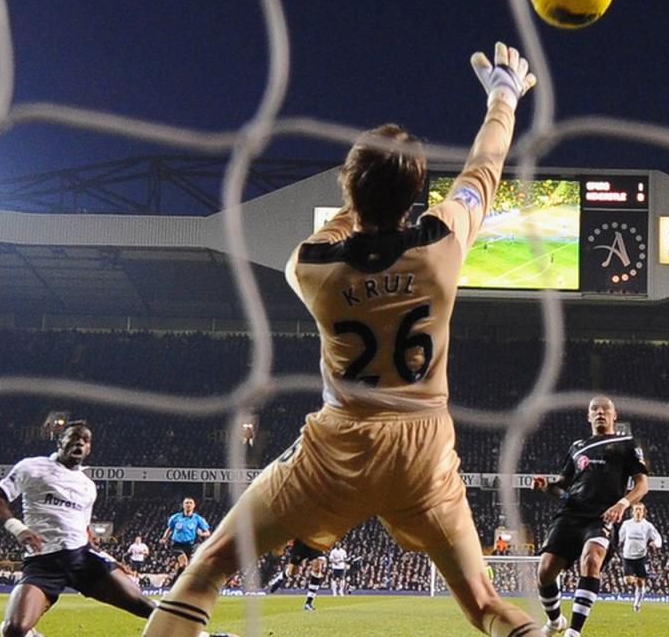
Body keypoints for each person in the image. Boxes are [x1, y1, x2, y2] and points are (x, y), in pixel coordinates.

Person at [141, 41, 541, 637]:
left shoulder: (310, 267)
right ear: (416, 196)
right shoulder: (441, 247)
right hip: (423, 449)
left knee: (211, 567)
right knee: (485, 603)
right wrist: (503, 97)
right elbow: (482, 171)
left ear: (348, 190)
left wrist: (358, 196)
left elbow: (342, 227)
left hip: (336, 449)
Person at [0, 421, 159, 637]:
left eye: (85, 440)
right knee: (14, 629)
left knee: (147, 606)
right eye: (74, 437)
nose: (80, 442)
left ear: (89, 449)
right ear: (60, 441)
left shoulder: (88, 486)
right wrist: (18, 528)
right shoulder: (32, 467)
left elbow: (84, 532)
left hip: (82, 559)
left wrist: (108, 558)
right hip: (43, 562)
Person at [531, 396, 649, 637]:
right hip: (571, 513)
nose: (600, 413)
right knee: (544, 572)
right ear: (588, 416)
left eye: (606, 409)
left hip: (602, 515)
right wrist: (546, 486)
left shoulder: (626, 443)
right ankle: (555, 622)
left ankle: (574, 632)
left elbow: (642, 484)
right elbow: (562, 487)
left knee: (591, 559)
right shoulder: (577, 447)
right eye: (594, 409)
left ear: (615, 415)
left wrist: (623, 503)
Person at [617, 503, 661, 612]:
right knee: (629, 581)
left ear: (643, 512)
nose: (638, 511)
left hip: (641, 557)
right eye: (636, 509)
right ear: (632, 511)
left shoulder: (648, 526)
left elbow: (658, 537)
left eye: (640, 510)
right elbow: (619, 538)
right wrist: (613, 545)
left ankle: (637, 603)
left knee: (641, 582)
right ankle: (635, 582)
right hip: (628, 556)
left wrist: (656, 543)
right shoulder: (627, 524)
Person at [264, 540, 327, 611]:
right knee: (292, 572)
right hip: (300, 542)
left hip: (314, 541)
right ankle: (281, 577)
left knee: (317, 568)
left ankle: (308, 602)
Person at [160, 498, 211, 579]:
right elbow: (170, 529)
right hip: (176, 545)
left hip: (190, 546)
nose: (188, 505)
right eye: (186, 503)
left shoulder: (198, 519)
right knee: (184, 563)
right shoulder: (176, 517)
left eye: (190, 503)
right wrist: (164, 538)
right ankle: (175, 582)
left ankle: (175, 581)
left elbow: (208, 532)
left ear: (194, 506)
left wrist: (202, 534)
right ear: (183, 505)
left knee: (185, 566)